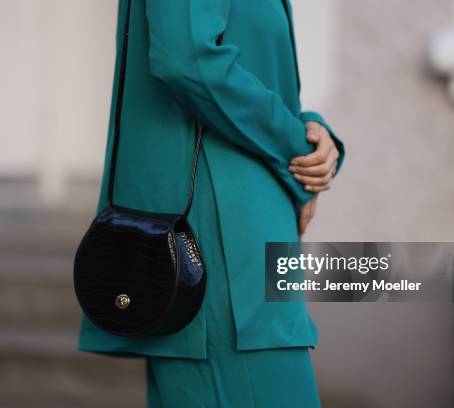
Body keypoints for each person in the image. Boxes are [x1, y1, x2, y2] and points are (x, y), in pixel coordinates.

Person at [78, 0, 345, 406]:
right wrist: (294, 147)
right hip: (217, 242)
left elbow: (247, 67)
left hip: (237, 232)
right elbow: (188, 59)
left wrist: (312, 132)